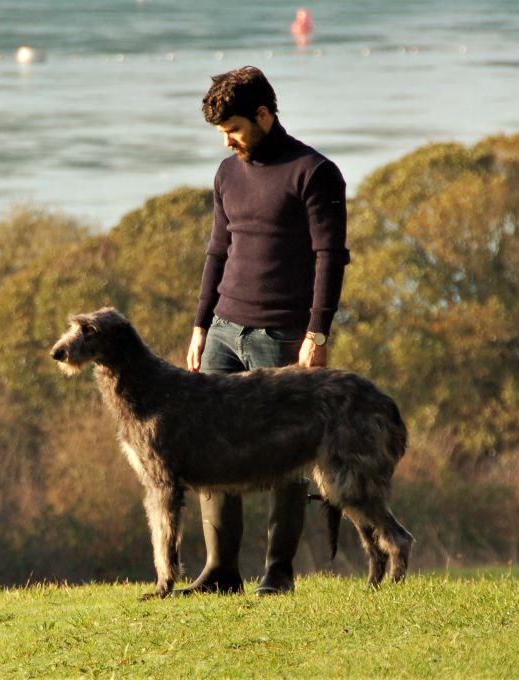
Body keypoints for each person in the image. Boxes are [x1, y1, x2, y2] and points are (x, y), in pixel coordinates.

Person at [181, 65, 349, 596]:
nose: (228, 141)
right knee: (208, 449)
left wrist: (316, 335)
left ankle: (278, 573)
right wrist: (200, 325)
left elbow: (330, 259)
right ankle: (220, 572)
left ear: (263, 114)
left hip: (284, 337)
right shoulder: (227, 175)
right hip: (224, 331)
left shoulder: (315, 172)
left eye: (233, 128)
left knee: (287, 460)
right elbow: (217, 252)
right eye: (220, 134)